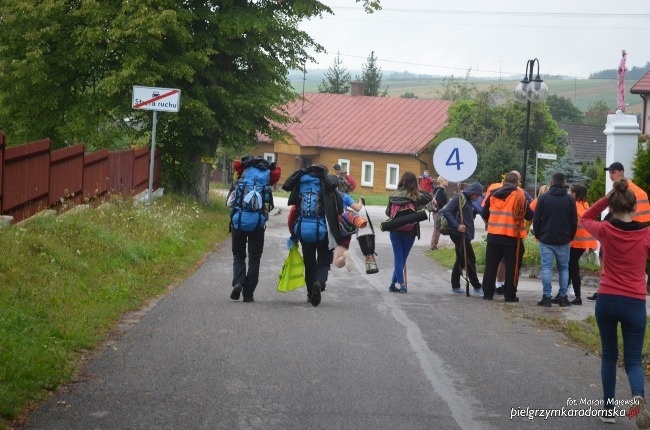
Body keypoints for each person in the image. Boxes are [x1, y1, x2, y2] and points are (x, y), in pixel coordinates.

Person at [581, 178, 650, 426]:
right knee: (633, 359)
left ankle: (609, 410)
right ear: (634, 208)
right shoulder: (646, 234)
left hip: (607, 299)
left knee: (609, 356)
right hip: (634, 303)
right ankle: (637, 397)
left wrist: (604, 200)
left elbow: (585, 218)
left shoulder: (605, 230)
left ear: (612, 207)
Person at [587, 161, 650, 301]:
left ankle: (607, 285)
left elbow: (586, 218)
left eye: (613, 172)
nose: (610, 175)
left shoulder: (628, 191)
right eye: (609, 172)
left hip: (629, 227)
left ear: (621, 172)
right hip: (634, 229)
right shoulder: (626, 190)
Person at [284, 164, 344, 307]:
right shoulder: (328, 186)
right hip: (323, 231)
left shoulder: (301, 185)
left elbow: (293, 212)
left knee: (309, 263)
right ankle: (319, 283)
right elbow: (339, 212)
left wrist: (293, 234)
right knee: (324, 261)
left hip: (304, 229)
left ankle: (311, 294)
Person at [227, 155, 281, 302]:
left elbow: (229, 203)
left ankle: (238, 282)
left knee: (239, 256)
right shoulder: (265, 184)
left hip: (239, 222)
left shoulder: (239, 182)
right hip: (257, 224)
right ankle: (248, 294)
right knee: (254, 259)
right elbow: (269, 207)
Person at [480, 171, 534, 302]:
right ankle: (509, 295)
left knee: (491, 266)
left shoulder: (493, 194)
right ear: (517, 183)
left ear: (504, 182)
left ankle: (487, 293)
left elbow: (483, 212)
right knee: (512, 267)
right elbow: (529, 215)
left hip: (494, 236)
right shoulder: (519, 195)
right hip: (512, 238)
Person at [532, 172, 578, 307]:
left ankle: (547, 297)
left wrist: (537, 234)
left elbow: (536, 219)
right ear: (564, 183)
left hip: (546, 238)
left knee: (546, 268)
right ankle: (563, 297)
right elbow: (573, 221)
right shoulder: (570, 200)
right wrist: (570, 236)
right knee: (564, 268)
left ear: (551, 182)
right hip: (563, 239)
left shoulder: (543, 198)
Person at [386, 171, 432, 293]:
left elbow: (387, 212)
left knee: (398, 258)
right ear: (414, 183)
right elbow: (429, 197)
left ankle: (393, 284)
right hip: (409, 231)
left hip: (395, 229)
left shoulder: (393, 195)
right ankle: (402, 285)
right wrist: (419, 188)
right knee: (402, 258)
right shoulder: (415, 196)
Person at [443, 182, 484, 295]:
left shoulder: (470, 201)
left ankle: (455, 286)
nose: (477, 197)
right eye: (476, 194)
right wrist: (457, 225)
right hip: (458, 234)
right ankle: (477, 286)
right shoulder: (459, 198)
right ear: (472, 192)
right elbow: (447, 211)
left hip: (466, 234)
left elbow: (469, 215)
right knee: (470, 259)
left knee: (461, 260)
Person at [563, 183, 598, 305]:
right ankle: (564, 294)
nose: (568, 193)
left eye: (570, 191)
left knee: (571, 268)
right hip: (584, 242)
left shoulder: (574, 206)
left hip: (576, 241)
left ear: (575, 194)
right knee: (571, 266)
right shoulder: (585, 205)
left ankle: (576, 297)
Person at [333, 192, 366, 269]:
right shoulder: (344, 196)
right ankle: (344, 256)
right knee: (339, 260)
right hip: (344, 230)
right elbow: (358, 208)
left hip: (330, 229)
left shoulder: (325, 194)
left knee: (334, 261)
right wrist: (360, 201)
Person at [429, 176, 449, 250]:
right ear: (441, 181)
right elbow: (440, 203)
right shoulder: (440, 191)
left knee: (437, 228)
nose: (448, 181)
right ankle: (433, 246)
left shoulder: (439, 190)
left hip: (437, 212)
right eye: (446, 180)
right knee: (437, 229)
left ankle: (434, 245)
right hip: (438, 212)